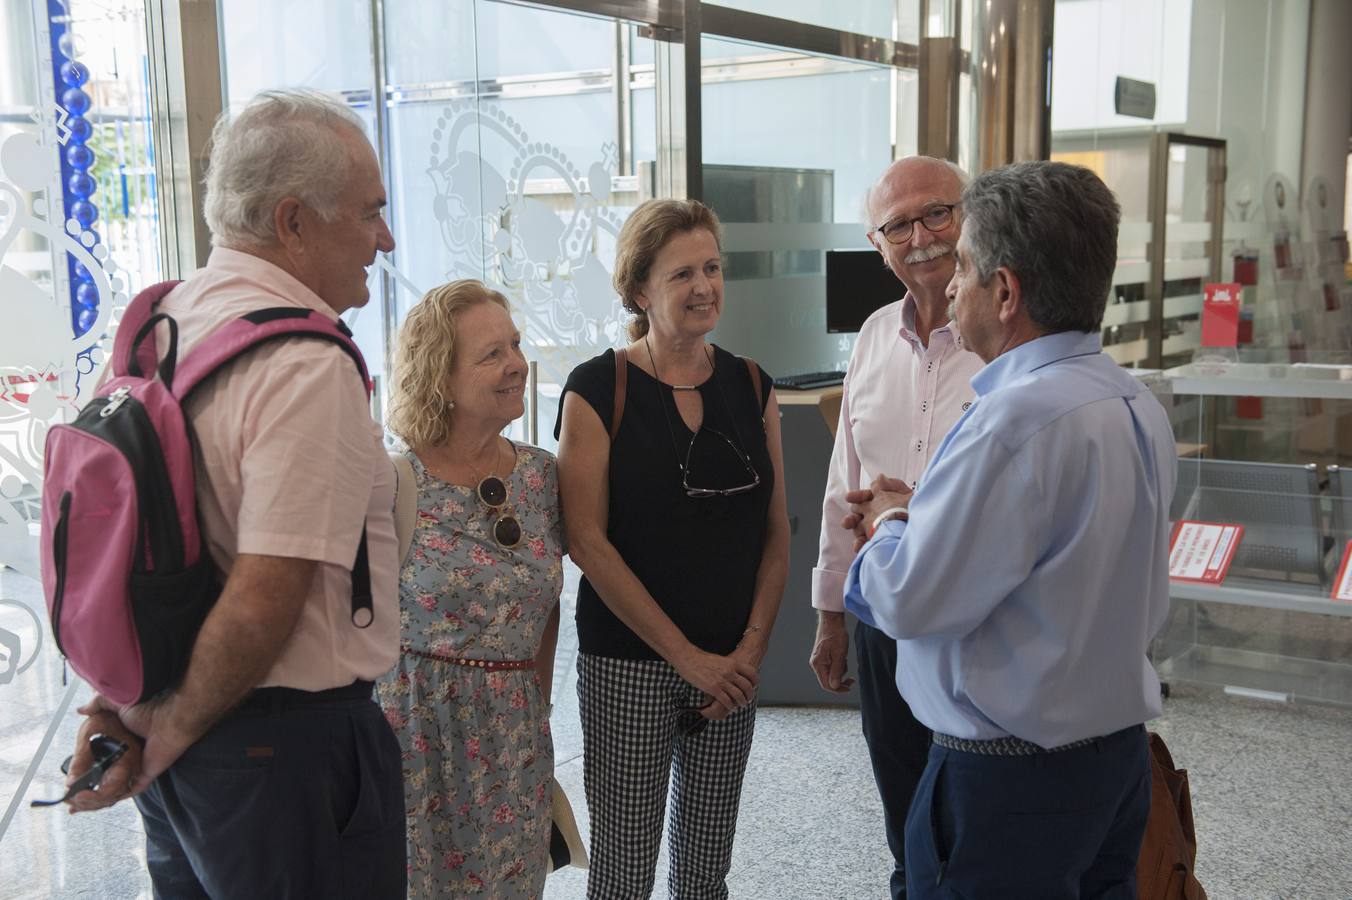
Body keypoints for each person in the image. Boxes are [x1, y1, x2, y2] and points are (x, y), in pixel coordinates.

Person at [62, 89, 406, 897]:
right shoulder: (304, 364)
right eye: (368, 214)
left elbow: (138, 552)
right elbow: (264, 595)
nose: (384, 240)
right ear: (292, 221)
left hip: (193, 732)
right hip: (282, 749)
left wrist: (124, 710)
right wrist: (163, 735)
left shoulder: (166, 325)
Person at [845, 160, 1176, 899]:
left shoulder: (1011, 422)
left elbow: (908, 599)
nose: (952, 282)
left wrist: (891, 522)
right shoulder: (1131, 401)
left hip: (1008, 778)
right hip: (1113, 762)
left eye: (963, 263)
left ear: (1006, 291)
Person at [556, 199, 790, 899]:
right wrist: (687, 658)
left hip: (733, 667)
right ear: (638, 290)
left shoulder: (751, 384)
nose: (704, 287)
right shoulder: (599, 388)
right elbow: (585, 542)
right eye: (682, 273)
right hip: (629, 662)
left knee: (704, 873)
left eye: (713, 268)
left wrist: (748, 653)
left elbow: (777, 532)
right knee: (624, 874)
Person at [807, 156, 982, 899]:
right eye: (898, 225)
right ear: (877, 244)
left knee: (976, 814)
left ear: (972, 215)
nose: (921, 238)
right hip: (881, 616)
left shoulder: (1007, 332)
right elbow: (843, 482)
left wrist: (918, 509)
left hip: (970, 616)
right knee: (904, 805)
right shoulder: (874, 336)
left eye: (937, 213)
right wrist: (831, 616)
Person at [378, 280, 563, 899]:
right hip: (416, 739)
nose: (517, 363)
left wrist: (539, 703)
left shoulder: (540, 476)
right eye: (491, 354)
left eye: (515, 344)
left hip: (515, 739)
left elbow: (547, 600)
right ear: (439, 376)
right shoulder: (394, 483)